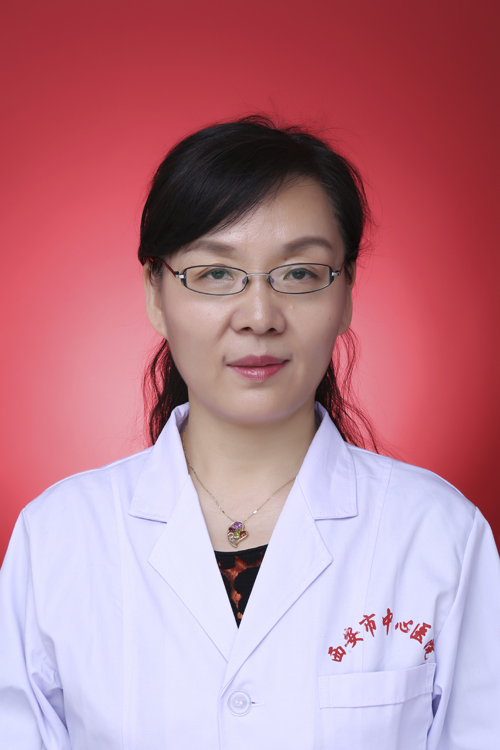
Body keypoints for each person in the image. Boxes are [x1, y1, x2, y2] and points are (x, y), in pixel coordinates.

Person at [0, 116, 499, 750]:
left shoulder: (440, 535)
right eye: (215, 274)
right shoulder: (57, 539)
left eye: (300, 273)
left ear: (346, 292)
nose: (259, 317)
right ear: (156, 293)